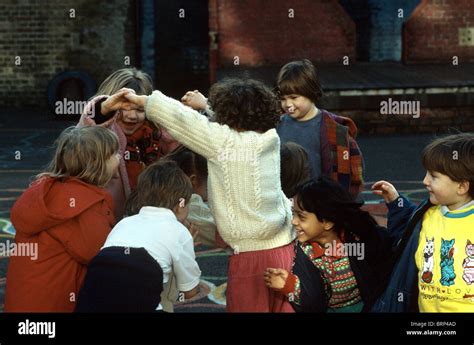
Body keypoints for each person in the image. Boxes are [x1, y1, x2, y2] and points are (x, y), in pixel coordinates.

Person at [123, 78, 295, 312]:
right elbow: (229, 123)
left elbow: (185, 121)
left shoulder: (223, 143)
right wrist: (207, 106)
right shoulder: (268, 139)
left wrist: (146, 100)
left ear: (226, 118)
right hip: (284, 247)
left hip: (250, 257)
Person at [5, 126, 119, 312]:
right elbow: (102, 256)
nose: (120, 159)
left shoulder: (43, 193)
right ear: (97, 162)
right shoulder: (88, 206)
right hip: (57, 304)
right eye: (114, 154)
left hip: (24, 301)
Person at [75, 160, 201, 312]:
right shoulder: (180, 232)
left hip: (95, 288)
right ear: (180, 206)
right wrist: (186, 249)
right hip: (139, 294)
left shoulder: (124, 223)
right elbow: (189, 291)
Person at [372, 133, 474, 312]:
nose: (424, 181)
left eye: (433, 176)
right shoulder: (427, 214)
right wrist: (397, 203)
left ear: (462, 187)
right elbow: (406, 234)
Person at [265, 177, 394, 312]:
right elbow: (314, 300)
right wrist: (290, 285)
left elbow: (388, 264)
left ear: (328, 223)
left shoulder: (357, 240)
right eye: (293, 214)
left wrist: (395, 204)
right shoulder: (304, 252)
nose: (294, 222)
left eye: (301, 217)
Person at [78, 68, 179, 219]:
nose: (131, 116)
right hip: (105, 222)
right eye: (122, 108)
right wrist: (103, 109)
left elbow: (180, 144)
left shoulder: (155, 136)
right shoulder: (101, 135)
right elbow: (85, 133)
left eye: (139, 109)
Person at [275, 59, 364, 198]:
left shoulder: (334, 129)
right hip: (284, 202)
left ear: (310, 92)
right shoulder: (276, 125)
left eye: (293, 97)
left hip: (319, 203)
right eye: (283, 98)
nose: (287, 104)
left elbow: (352, 170)